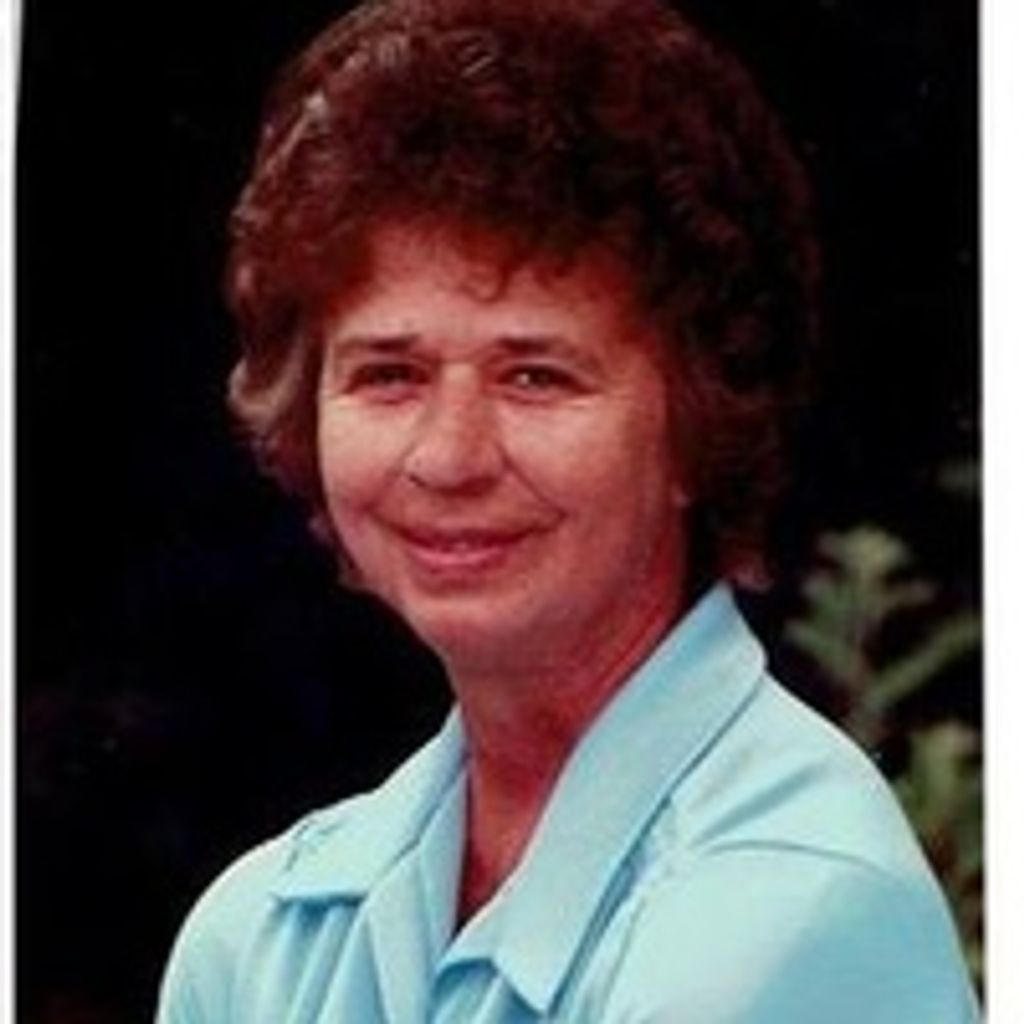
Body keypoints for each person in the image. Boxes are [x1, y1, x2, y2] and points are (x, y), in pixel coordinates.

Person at [157, 0, 980, 1020]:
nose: (449, 457)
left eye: (536, 377)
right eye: (389, 374)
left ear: (698, 425)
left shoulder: (792, 917)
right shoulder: (258, 940)